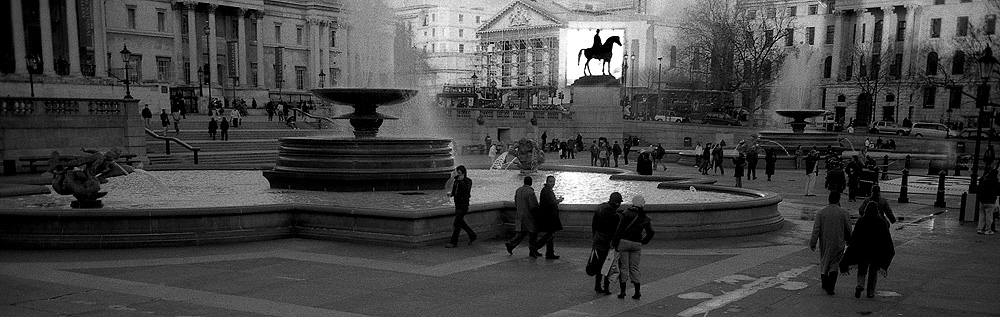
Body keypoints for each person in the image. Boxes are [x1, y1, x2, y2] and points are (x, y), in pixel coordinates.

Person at [840, 201, 896, 299]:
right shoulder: (881, 222)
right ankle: (870, 292)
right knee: (873, 271)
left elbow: (855, 237)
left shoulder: (861, 220)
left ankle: (860, 285)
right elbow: (886, 238)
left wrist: (851, 247)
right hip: (875, 251)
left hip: (863, 249)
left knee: (862, 269)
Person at [810, 192, 853, 295]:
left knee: (825, 261)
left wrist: (813, 242)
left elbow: (816, 229)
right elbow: (848, 229)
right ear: (838, 200)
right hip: (838, 241)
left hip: (825, 241)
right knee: (835, 264)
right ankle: (831, 286)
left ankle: (824, 283)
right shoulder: (844, 213)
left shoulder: (821, 213)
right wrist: (849, 241)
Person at [613, 195, 655, 299]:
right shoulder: (644, 216)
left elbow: (619, 230)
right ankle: (637, 292)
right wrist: (643, 241)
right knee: (634, 268)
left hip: (624, 242)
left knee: (623, 267)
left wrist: (615, 243)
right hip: (636, 244)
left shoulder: (626, 213)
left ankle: (622, 292)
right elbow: (651, 232)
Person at [591, 192, 623, 295]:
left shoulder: (599, 209)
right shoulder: (615, 215)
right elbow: (616, 231)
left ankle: (597, 285)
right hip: (607, 241)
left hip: (597, 238)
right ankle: (606, 287)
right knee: (608, 264)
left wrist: (594, 236)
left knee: (598, 262)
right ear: (617, 203)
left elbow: (594, 225)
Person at [531, 175, 563, 259]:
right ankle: (536, 247)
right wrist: (558, 201)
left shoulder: (547, 190)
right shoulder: (546, 191)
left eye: (553, 181)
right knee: (550, 234)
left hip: (549, 216)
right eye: (550, 181)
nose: (552, 183)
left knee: (551, 234)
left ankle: (549, 252)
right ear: (547, 182)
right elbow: (550, 203)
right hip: (549, 217)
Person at [446, 165, 477, 248]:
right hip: (457, 204)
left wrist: (462, 181)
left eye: (459, 172)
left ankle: (453, 242)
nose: (458, 174)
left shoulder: (468, 181)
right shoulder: (456, 181)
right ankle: (472, 235)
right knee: (460, 222)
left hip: (464, 205)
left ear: (463, 172)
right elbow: (454, 191)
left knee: (457, 223)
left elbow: (466, 191)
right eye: (457, 172)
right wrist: (451, 194)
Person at [506, 176, 539, 254]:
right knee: (533, 232)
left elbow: (516, 202)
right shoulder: (531, 192)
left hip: (519, 214)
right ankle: (532, 249)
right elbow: (533, 206)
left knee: (522, 232)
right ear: (531, 183)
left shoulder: (518, 190)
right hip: (528, 216)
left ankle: (511, 244)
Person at [976, 169, 998, 235]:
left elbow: (979, 188)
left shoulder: (983, 180)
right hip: (991, 201)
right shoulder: (994, 181)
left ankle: (980, 229)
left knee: (982, 215)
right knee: (989, 216)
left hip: (983, 200)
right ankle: (988, 229)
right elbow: (996, 191)